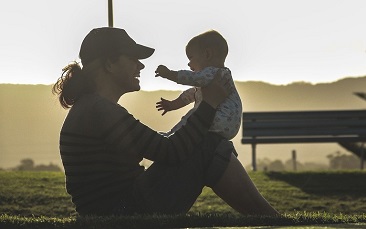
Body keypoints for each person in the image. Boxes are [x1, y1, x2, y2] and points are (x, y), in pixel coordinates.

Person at [52, 27, 278, 216]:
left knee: (209, 143)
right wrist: (209, 104)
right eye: (133, 59)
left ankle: (272, 219)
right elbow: (171, 152)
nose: (140, 66)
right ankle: (273, 221)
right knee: (209, 144)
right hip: (123, 213)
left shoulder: (92, 108)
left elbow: (159, 146)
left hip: (118, 210)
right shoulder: (98, 111)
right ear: (109, 64)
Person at [155, 30, 242, 139]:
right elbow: (192, 94)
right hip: (229, 126)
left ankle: (171, 136)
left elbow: (191, 78)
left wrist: (169, 74)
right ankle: (171, 135)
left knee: (192, 116)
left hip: (219, 119)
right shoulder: (220, 77)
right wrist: (173, 105)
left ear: (207, 54)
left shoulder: (213, 72)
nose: (188, 63)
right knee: (195, 116)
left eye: (191, 58)